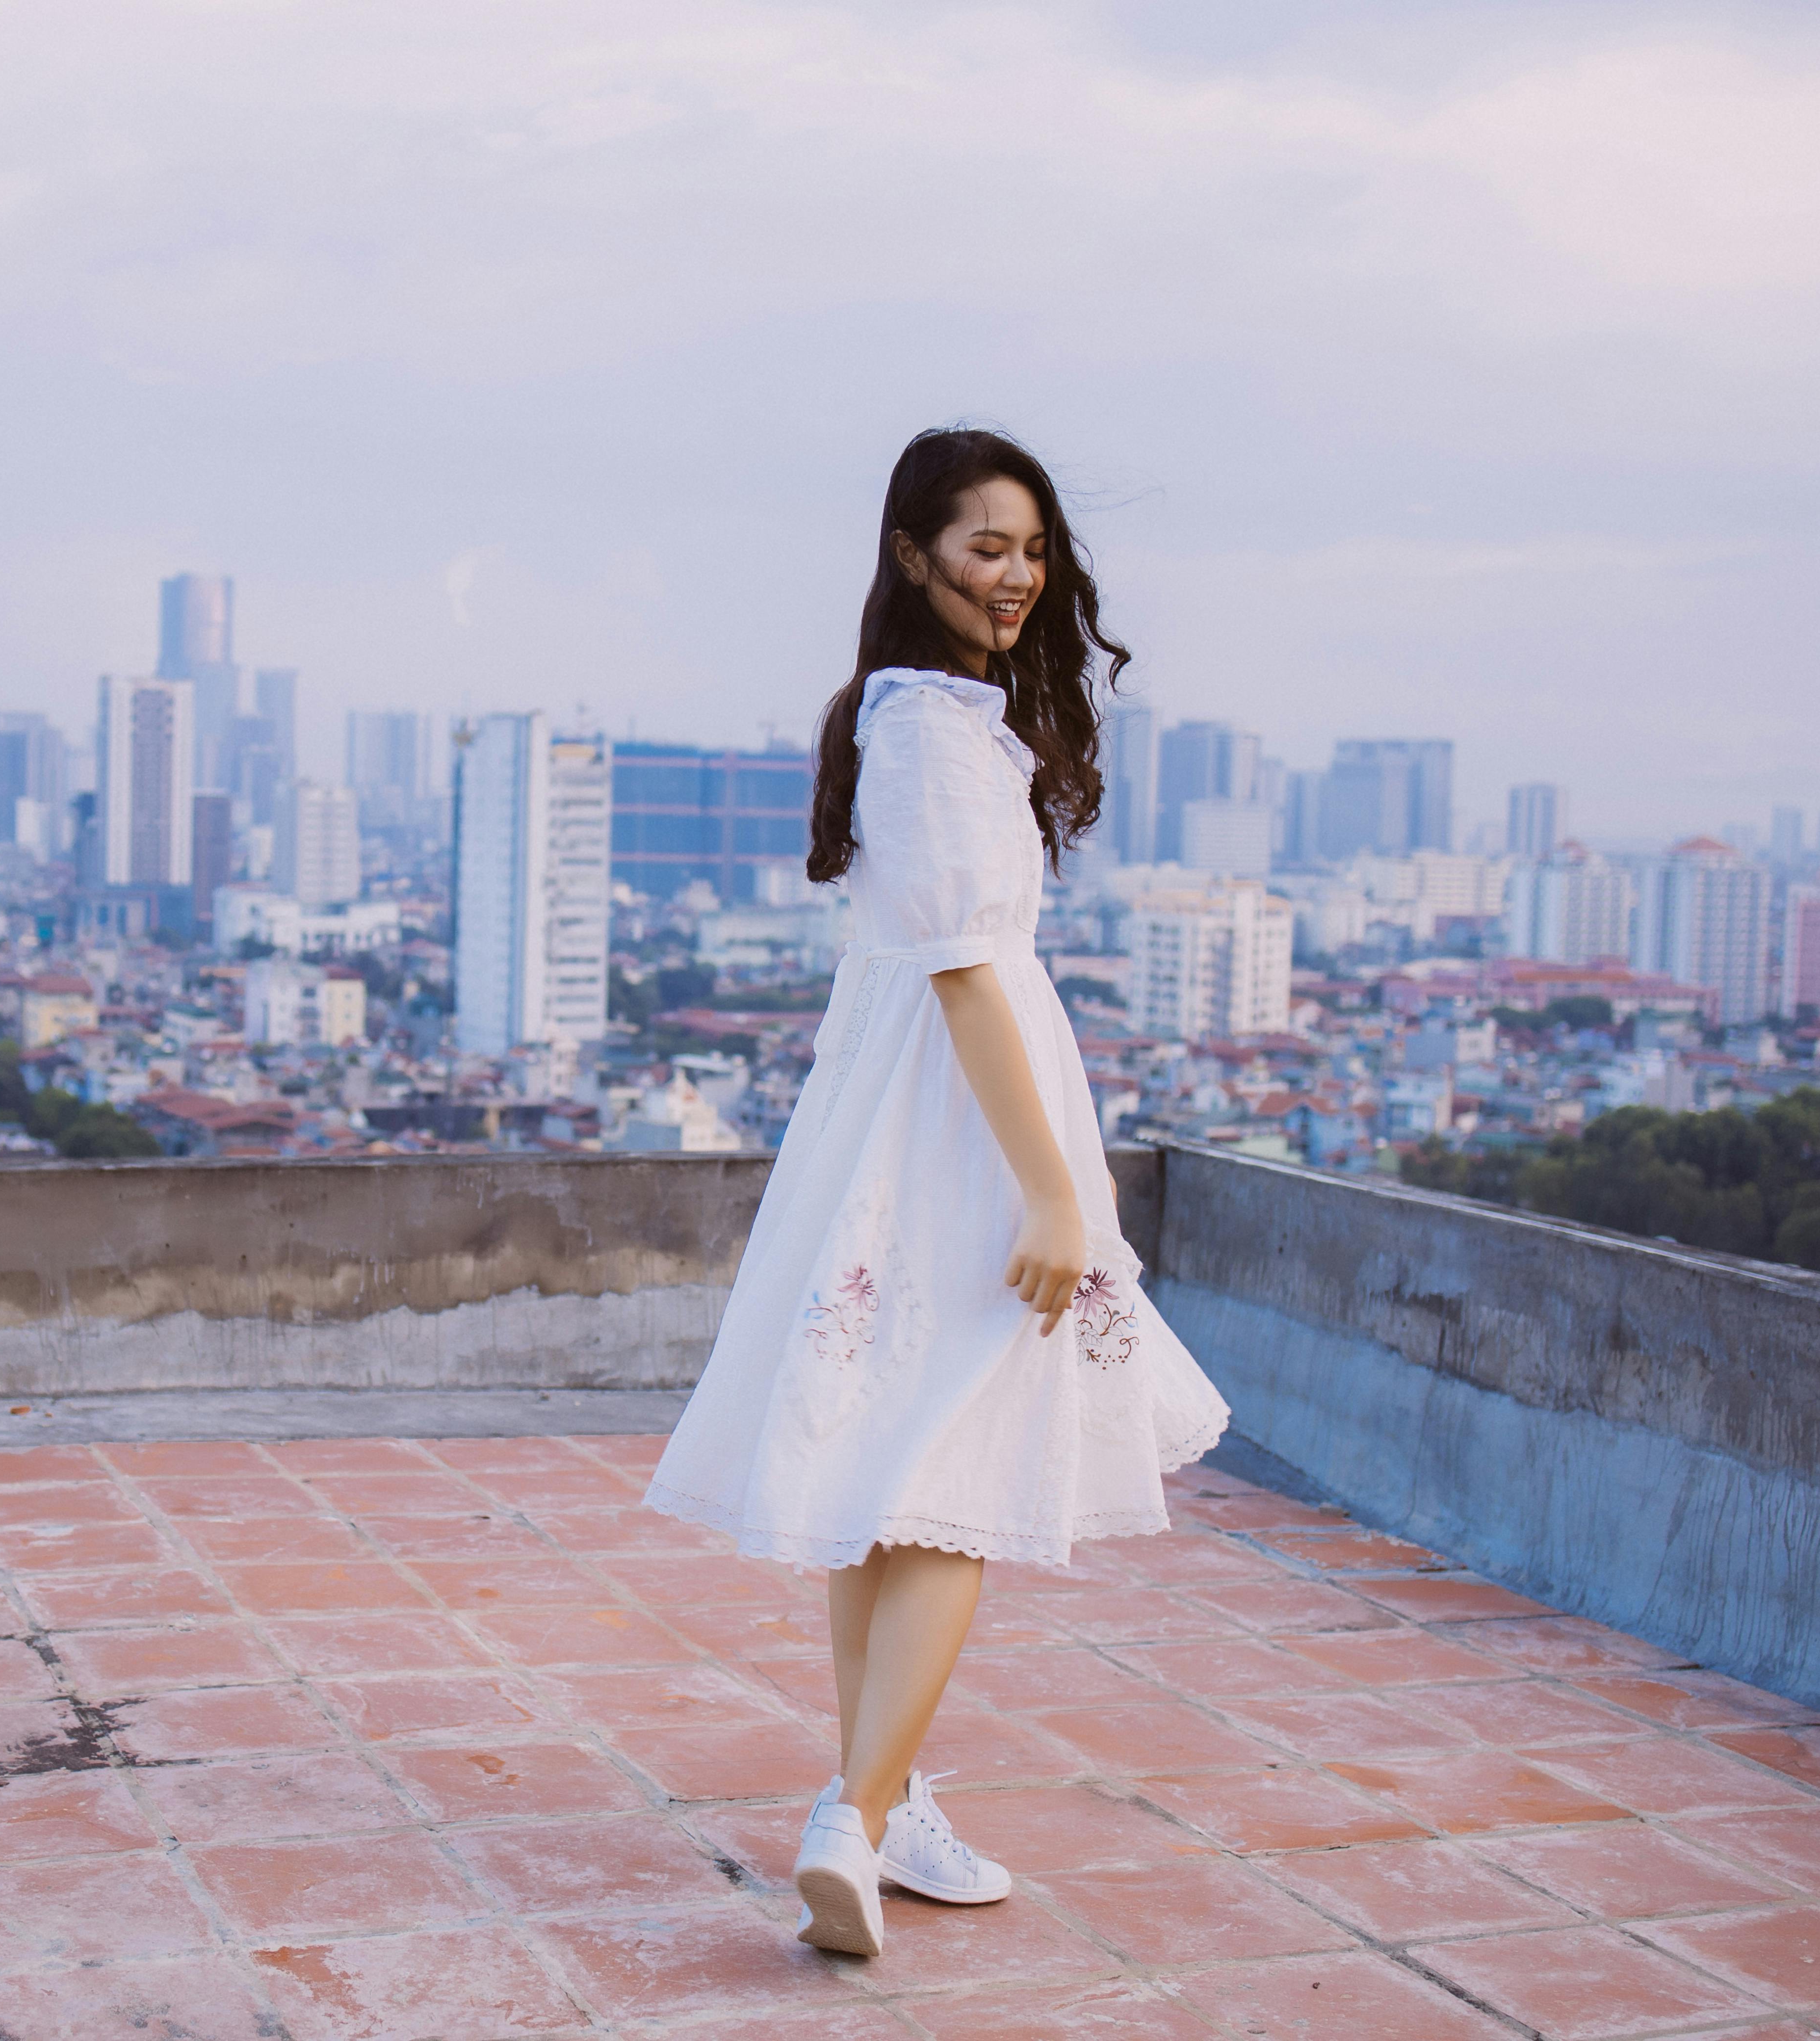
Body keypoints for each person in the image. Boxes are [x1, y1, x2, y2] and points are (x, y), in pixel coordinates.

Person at [643, 426, 1232, 1958]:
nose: (1019, 577)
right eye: (986, 548)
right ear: (914, 555)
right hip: (966, 1120)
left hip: (917, 1107)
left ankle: (885, 1803)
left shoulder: (925, 718)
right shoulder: (926, 729)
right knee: (960, 1466)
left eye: (1032, 551)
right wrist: (1058, 1194)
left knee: (886, 1480)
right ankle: (852, 1811)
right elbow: (970, 970)